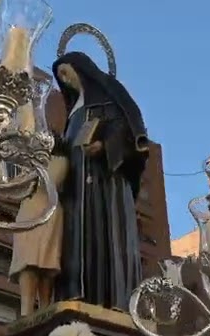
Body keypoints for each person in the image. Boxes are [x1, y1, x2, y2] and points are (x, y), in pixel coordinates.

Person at [52, 51, 149, 311]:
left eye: (66, 71)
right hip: (75, 190)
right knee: (75, 243)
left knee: (105, 237)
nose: (63, 78)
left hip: (104, 184)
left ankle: (110, 299)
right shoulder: (72, 114)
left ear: (80, 68)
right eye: (59, 75)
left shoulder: (109, 97)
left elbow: (128, 131)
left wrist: (105, 146)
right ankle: (75, 295)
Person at [8, 100, 69, 316]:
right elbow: (16, 186)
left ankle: (44, 308)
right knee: (27, 262)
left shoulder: (59, 160)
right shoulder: (27, 162)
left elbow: (49, 181)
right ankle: (25, 310)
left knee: (45, 264)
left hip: (48, 211)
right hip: (27, 212)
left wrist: (35, 165)